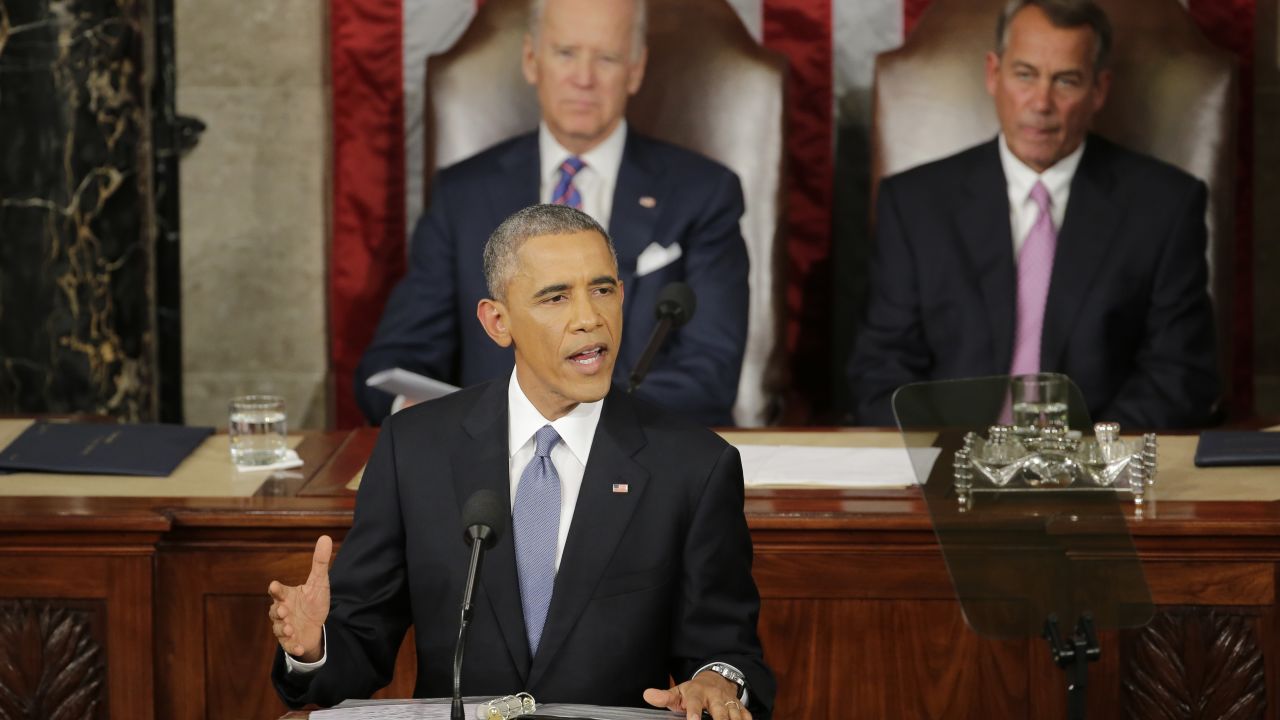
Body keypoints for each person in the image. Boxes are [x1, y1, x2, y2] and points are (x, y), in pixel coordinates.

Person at [270, 205, 774, 719]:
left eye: (601, 290)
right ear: (497, 321)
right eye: (556, 297)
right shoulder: (415, 448)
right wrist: (313, 648)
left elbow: (727, 650)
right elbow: (360, 643)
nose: (588, 318)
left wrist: (716, 679)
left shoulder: (693, 465)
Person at [355, 0, 749, 428]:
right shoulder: (463, 194)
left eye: (607, 58)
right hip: (489, 471)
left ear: (635, 70)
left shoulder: (704, 193)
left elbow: (710, 376)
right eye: (565, 53)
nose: (584, 79)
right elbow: (393, 363)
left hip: (638, 457)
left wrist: (564, 420)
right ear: (531, 60)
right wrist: (417, 415)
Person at [847, 0, 1218, 428]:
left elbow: (1179, 376)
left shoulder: (1165, 207)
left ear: (1098, 90)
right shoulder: (914, 205)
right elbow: (881, 370)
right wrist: (957, 462)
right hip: (952, 472)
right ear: (993, 73)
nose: (1041, 102)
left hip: (1094, 473)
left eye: (1066, 81)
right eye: (1025, 75)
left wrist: (1080, 462)